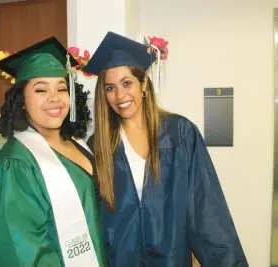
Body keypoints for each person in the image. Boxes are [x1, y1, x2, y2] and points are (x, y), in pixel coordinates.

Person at [83, 32, 249, 267]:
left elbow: (205, 207)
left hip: (172, 259)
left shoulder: (179, 133)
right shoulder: (98, 145)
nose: (120, 95)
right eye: (110, 87)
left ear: (143, 85)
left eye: (127, 83)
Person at [0, 36, 107, 267]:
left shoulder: (78, 144)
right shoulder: (15, 166)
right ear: (22, 100)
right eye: (40, 90)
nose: (54, 98)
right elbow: (19, 253)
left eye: (61, 88)